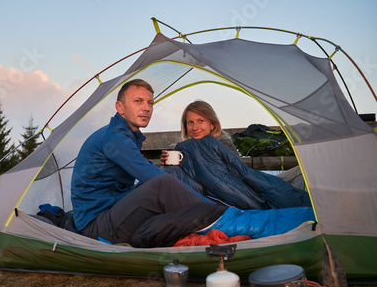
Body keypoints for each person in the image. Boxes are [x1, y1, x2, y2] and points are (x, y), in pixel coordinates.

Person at [71, 79, 228, 248]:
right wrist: (210, 207)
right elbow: (151, 176)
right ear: (120, 108)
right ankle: (224, 217)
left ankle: (214, 213)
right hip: (98, 225)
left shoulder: (126, 134)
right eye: (138, 101)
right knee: (163, 183)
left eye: (150, 103)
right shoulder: (114, 137)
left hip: (114, 210)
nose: (146, 108)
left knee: (169, 176)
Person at [160, 100, 311, 210]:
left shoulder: (223, 145)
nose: (195, 127)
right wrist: (170, 163)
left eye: (200, 121)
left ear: (212, 124)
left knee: (285, 192)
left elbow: (229, 178)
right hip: (203, 195)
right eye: (190, 122)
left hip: (238, 192)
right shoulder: (182, 150)